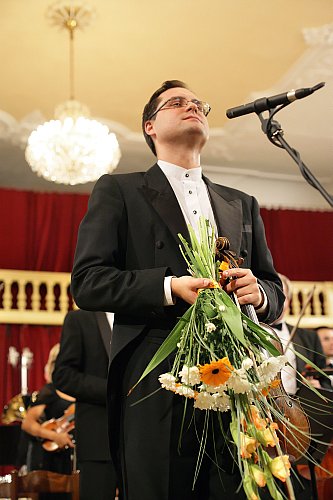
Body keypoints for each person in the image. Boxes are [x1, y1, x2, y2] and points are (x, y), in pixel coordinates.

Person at [71, 80, 284, 500]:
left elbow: (274, 289)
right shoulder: (119, 190)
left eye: (198, 103)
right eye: (177, 103)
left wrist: (257, 291)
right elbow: (88, 281)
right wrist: (168, 287)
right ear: (150, 126)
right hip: (154, 376)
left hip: (237, 380)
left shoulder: (242, 202)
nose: (193, 106)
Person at [53, 309, 119, 500]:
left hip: (141, 439)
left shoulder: (143, 316)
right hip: (97, 440)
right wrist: (111, 391)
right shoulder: (79, 319)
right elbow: (63, 375)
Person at [21, 343, 75, 500]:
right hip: (52, 459)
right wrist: (55, 436)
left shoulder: (81, 391)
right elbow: (28, 424)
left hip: (73, 457)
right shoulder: (50, 390)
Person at [271, 273, 329, 392]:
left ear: (289, 300)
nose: (275, 303)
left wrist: (319, 387)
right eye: (271, 296)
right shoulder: (247, 333)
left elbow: (325, 379)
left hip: (301, 407)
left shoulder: (309, 337)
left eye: (281, 296)